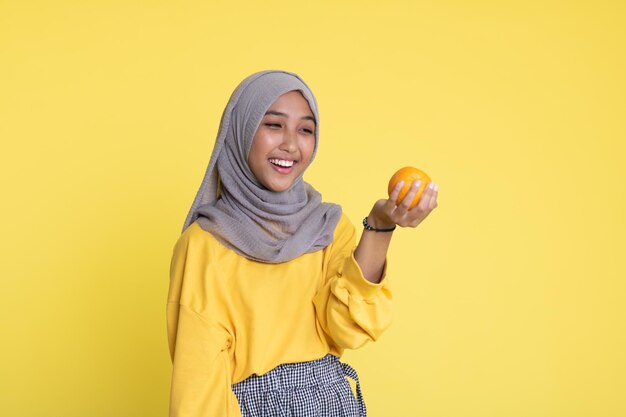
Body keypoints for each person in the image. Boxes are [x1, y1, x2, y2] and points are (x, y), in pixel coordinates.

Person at [166, 69, 439, 417]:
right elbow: (198, 386)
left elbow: (348, 328)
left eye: (305, 129)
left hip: (333, 402)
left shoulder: (327, 226)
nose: (291, 144)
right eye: (273, 125)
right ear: (242, 131)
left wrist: (381, 226)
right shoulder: (204, 245)